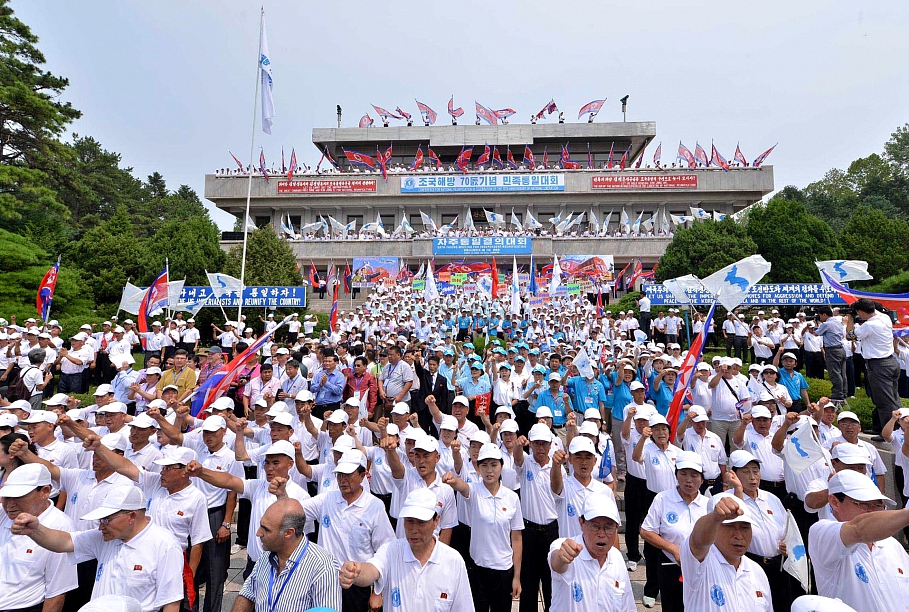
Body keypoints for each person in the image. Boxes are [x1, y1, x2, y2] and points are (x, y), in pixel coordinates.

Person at [11, 484, 185, 612]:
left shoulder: (165, 546)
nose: (101, 527)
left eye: (106, 520)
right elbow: (63, 542)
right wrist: (35, 529)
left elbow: (171, 603)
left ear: (131, 516)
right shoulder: (104, 538)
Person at [339, 488, 473, 612]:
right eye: (409, 521)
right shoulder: (391, 551)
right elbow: (371, 571)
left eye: (421, 522)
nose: (414, 530)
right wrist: (355, 572)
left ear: (436, 521)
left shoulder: (453, 561)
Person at [298, 449, 395, 612]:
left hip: (356, 585)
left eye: (348, 475)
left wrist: (378, 591)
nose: (342, 480)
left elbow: (385, 548)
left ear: (362, 475)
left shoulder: (374, 506)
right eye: (340, 475)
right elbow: (297, 511)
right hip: (325, 582)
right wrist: (281, 496)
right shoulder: (327, 499)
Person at [808, 469, 909, 612]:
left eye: (878, 505)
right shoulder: (821, 533)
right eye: (864, 504)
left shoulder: (892, 544)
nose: (873, 511)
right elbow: (859, 529)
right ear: (834, 502)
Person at [443, 443, 523, 612]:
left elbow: (516, 539)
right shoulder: (475, 491)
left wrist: (516, 577)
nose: (489, 470)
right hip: (478, 569)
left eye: (494, 465)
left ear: (501, 466)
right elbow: (462, 486)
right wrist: (452, 480)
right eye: (484, 465)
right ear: (478, 467)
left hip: (503, 570)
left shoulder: (512, 498)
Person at [233, 498, 342, 612]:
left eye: (266, 530)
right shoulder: (265, 557)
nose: (258, 533)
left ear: (288, 533)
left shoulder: (323, 567)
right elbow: (248, 593)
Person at [0, 463, 79, 612]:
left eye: (18, 496)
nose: (10, 504)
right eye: (6, 497)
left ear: (45, 492)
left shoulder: (60, 527)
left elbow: (57, 593)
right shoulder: (3, 514)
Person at [640, 451, 710, 612]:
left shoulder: (709, 504)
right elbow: (646, 531)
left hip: (703, 567)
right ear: (676, 475)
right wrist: (673, 549)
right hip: (671, 564)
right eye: (683, 474)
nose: (688, 480)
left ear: (702, 479)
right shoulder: (663, 499)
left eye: (694, 475)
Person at [725, 450, 794, 611]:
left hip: (779, 565)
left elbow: (787, 530)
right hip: (750, 564)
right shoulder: (728, 499)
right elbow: (736, 522)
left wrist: (787, 545)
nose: (752, 476)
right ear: (733, 474)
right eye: (746, 471)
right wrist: (737, 489)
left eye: (755, 471)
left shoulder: (771, 498)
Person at [682, 493, 773, 611]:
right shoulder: (699, 563)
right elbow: (698, 542)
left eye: (745, 527)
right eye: (730, 526)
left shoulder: (757, 571)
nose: (739, 535)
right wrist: (715, 517)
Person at [547, 491, 635, 612]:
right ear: (581, 523)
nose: (601, 534)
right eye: (595, 526)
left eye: (608, 527)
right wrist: (562, 557)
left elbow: (627, 606)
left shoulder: (617, 558)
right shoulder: (566, 547)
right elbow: (557, 563)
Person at [513, 423, 559, 612]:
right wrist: (518, 445)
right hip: (529, 531)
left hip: (551, 531)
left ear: (550, 445)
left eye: (544, 444)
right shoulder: (526, 463)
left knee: (551, 583)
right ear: (530, 444)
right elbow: (517, 458)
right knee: (528, 582)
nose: (540, 448)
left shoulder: (557, 468)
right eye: (537, 444)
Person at [845, 298, 902, 436]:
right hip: (890, 362)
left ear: (861, 312)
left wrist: (851, 319)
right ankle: (880, 428)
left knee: (885, 402)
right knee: (891, 398)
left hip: (879, 365)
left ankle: (890, 434)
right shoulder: (884, 318)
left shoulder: (869, 325)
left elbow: (849, 335)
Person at [808, 306, 847, 401]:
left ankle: (837, 393)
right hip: (841, 349)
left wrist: (816, 324)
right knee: (842, 372)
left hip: (832, 350)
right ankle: (844, 392)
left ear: (824, 314)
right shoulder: (838, 322)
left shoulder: (827, 324)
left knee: (834, 372)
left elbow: (816, 333)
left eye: (820, 315)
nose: (820, 317)